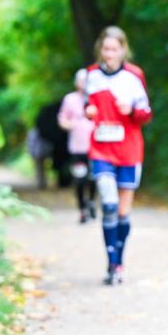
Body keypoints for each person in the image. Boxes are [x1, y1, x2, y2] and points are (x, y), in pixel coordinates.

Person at [84, 26, 152, 285]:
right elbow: (86, 105)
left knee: (123, 212)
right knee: (108, 204)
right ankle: (111, 264)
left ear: (123, 50)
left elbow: (146, 113)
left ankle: (119, 262)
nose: (109, 54)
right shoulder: (91, 75)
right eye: (106, 49)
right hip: (101, 149)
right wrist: (88, 110)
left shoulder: (134, 76)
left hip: (129, 150)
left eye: (114, 49)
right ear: (100, 50)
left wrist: (132, 110)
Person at [58, 67, 97, 222]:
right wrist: (70, 124)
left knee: (94, 178)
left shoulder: (96, 98)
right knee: (80, 178)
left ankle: (92, 202)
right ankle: (82, 208)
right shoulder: (70, 99)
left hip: (96, 147)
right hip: (77, 147)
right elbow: (62, 118)